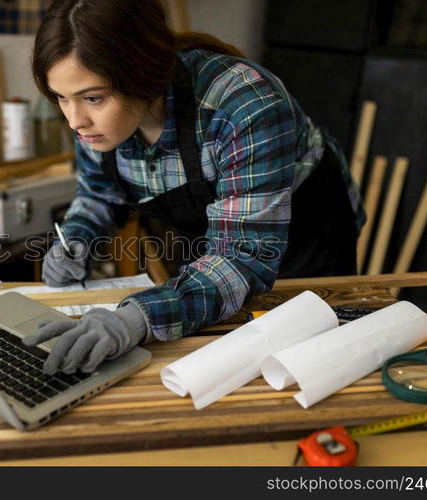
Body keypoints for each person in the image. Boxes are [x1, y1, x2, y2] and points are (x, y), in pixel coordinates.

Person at [23, 0, 365, 376]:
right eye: (60, 97)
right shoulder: (97, 123)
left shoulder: (245, 104)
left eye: (92, 98)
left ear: (143, 73)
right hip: (215, 247)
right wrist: (76, 237)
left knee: (304, 366)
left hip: (305, 241)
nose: (75, 121)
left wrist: (135, 319)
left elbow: (241, 256)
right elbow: (99, 193)